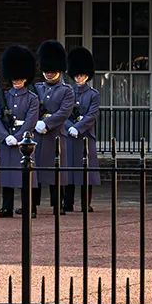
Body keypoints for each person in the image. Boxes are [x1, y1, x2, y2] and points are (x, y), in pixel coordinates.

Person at [0, 45, 39, 217]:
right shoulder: (4, 97)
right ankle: (7, 206)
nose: (17, 80)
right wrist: (5, 137)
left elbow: (31, 121)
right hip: (7, 140)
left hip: (24, 142)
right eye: (15, 78)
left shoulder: (32, 98)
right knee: (7, 175)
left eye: (20, 77)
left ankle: (29, 207)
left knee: (26, 176)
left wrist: (18, 137)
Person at [32, 40, 74, 215]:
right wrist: (35, 122)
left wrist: (46, 123)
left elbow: (64, 112)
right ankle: (32, 205)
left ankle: (57, 205)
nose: (48, 74)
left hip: (56, 134)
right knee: (34, 172)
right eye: (46, 71)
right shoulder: (37, 88)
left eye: (52, 71)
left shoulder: (67, 90)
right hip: (37, 135)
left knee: (56, 171)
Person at [62, 46, 101, 213]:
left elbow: (91, 115)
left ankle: (86, 203)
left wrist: (78, 128)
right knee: (69, 170)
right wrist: (70, 127)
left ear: (87, 76)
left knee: (87, 171)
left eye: (82, 75)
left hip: (85, 136)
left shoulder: (93, 94)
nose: (79, 78)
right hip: (69, 136)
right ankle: (68, 202)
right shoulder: (67, 92)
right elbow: (62, 113)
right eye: (77, 75)